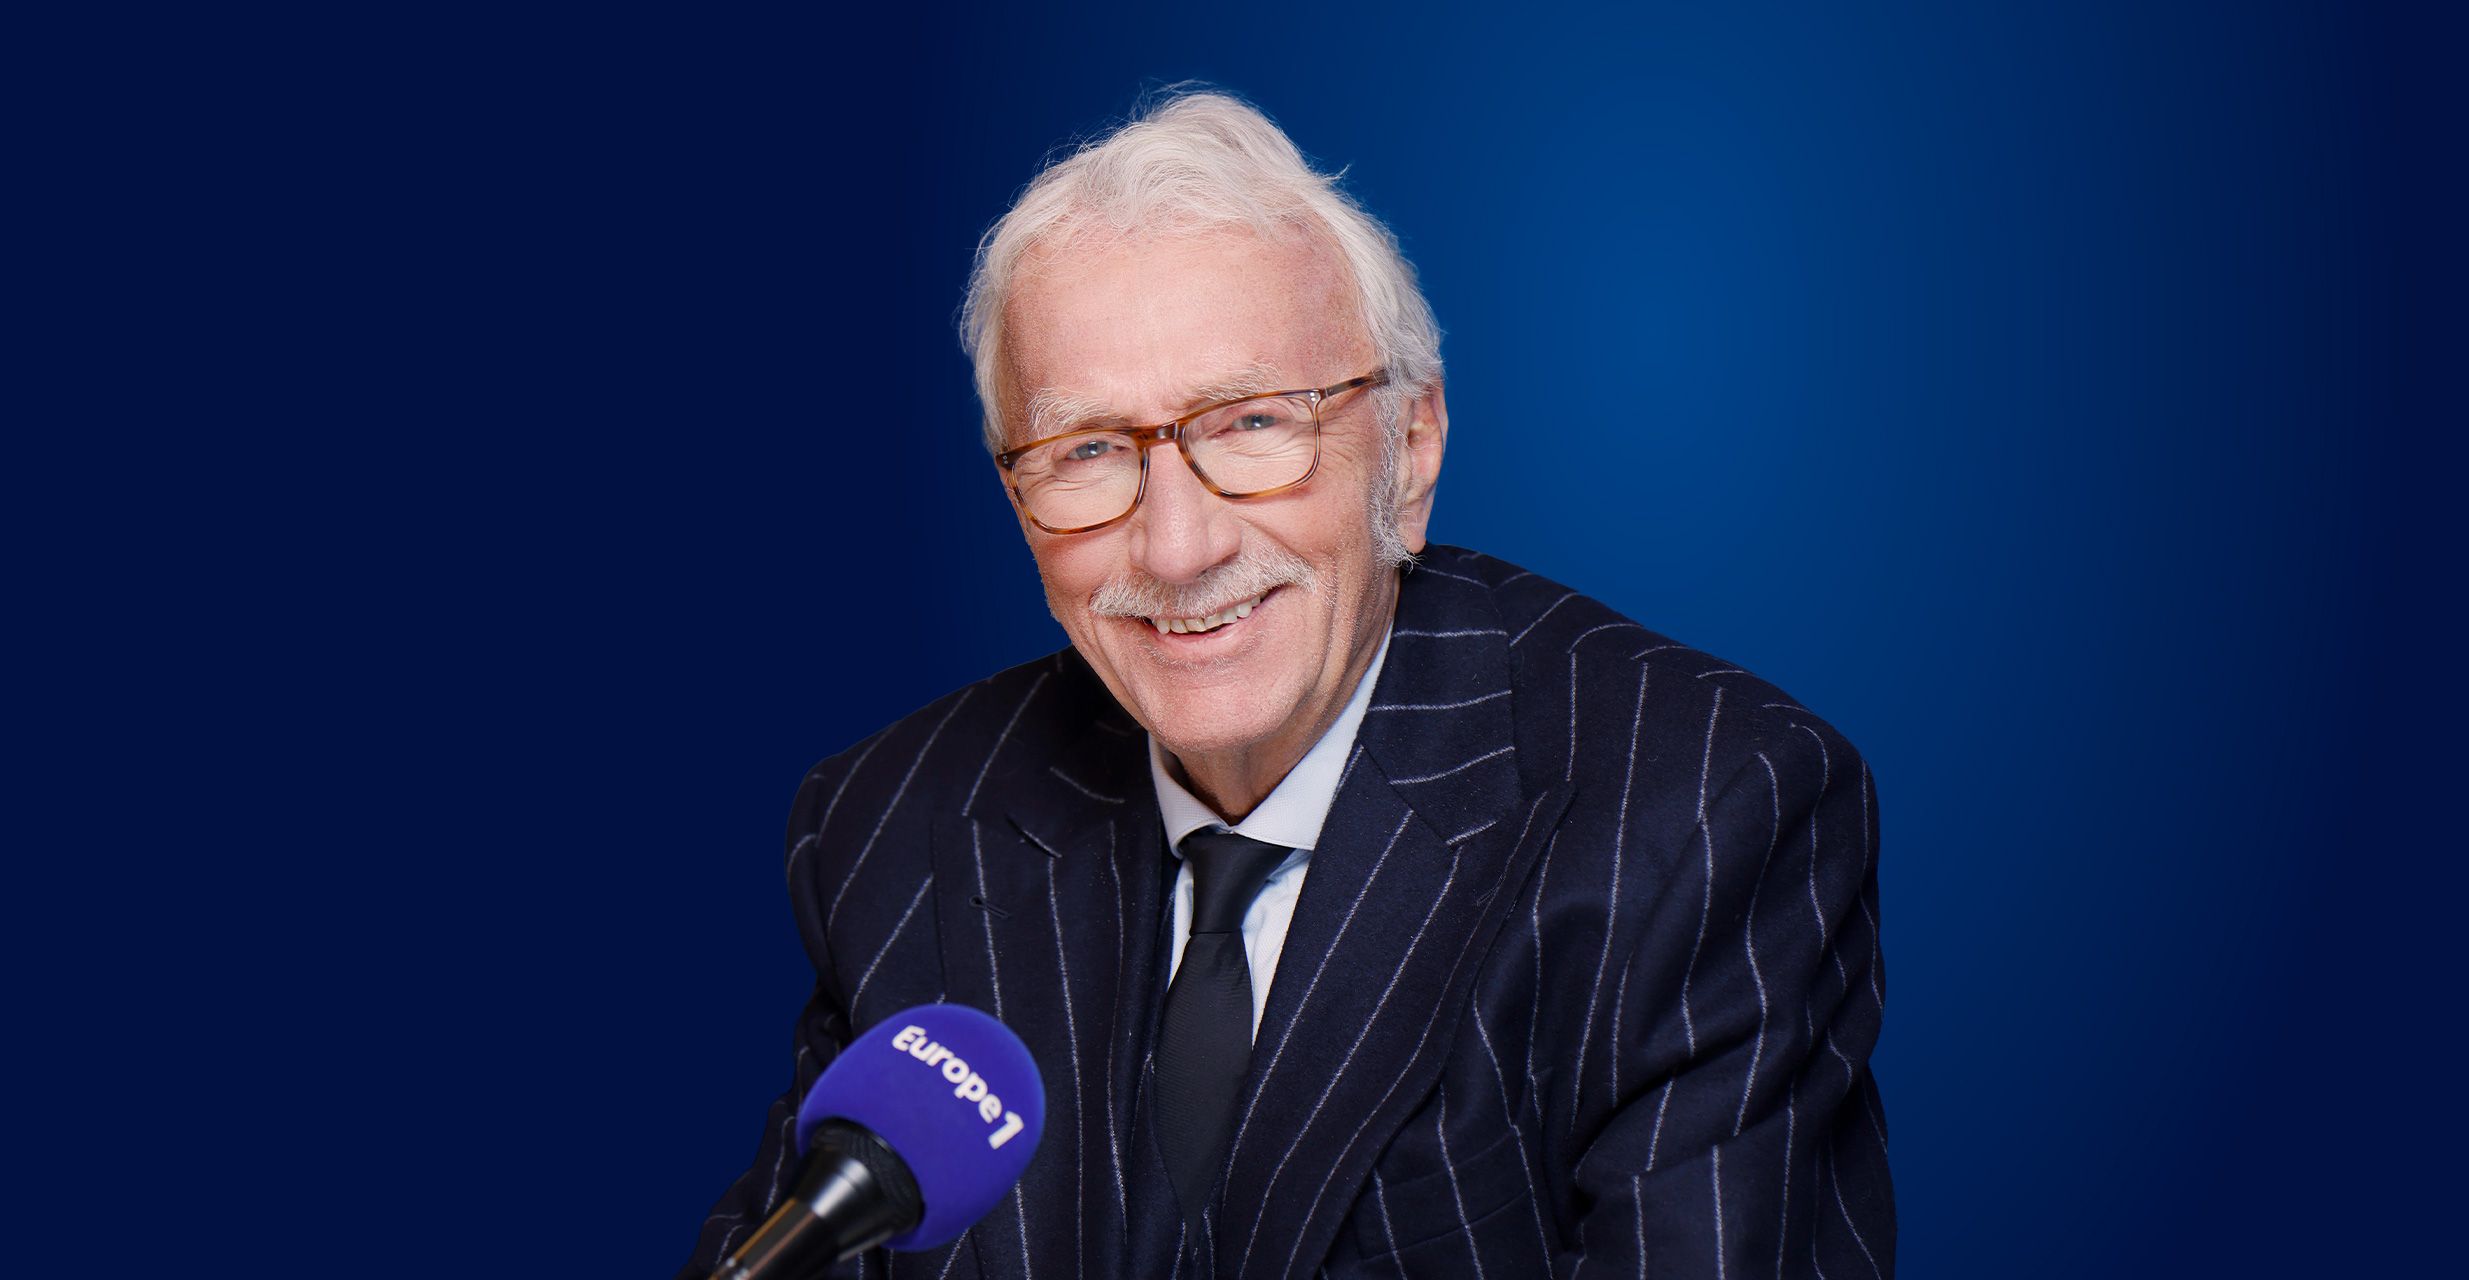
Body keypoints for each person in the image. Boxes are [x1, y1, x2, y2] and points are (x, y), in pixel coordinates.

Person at [681, 89, 1891, 1279]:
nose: (1176, 547)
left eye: (1253, 424)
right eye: (1088, 450)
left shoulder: (1698, 813)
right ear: (1017, 496)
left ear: (1409, 447)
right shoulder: (891, 830)